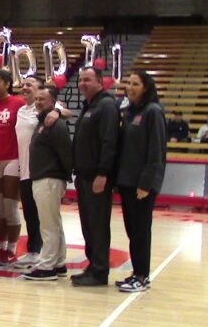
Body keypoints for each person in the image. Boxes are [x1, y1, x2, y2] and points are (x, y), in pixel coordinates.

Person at [115, 71, 167, 292]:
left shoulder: (153, 111)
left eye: (136, 84)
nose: (130, 87)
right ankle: (136, 272)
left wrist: (147, 183)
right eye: (128, 83)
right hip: (126, 182)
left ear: (146, 87)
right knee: (132, 230)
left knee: (141, 231)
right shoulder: (128, 112)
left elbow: (157, 151)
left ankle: (142, 276)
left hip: (142, 185)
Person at [14, 78, 71, 270]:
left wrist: (57, 110)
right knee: (43, 219)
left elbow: (65, 149)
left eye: (31, 85)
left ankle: (47, 264)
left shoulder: (53, 118)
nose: (26, 87)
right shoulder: (26, 112)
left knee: (47, 223)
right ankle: (57, 261)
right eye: (36, 99)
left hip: (46, 175)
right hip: (28, 171)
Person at [71, 66, 119, 286]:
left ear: (100, 81)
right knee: (88, 225)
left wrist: (103, 173)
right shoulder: (90, 105)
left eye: (87, 79)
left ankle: (100, 271)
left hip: (96, 178)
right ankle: (93, 266)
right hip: (83, 176)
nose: (82, 83)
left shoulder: (106, 105)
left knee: (98, 225)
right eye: (80, 80)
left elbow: (110, 142)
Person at [0, 70, 24, 266]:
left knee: (10, 207)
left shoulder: (18, 103)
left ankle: (11, 248)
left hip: (13, 159)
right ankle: (1, 247)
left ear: (8, 84)